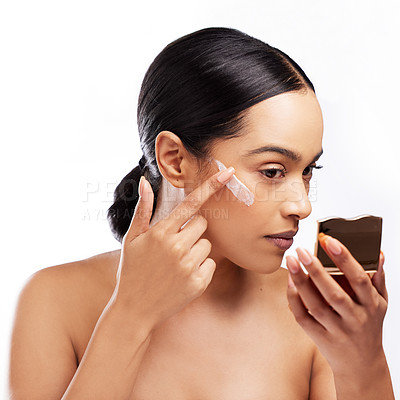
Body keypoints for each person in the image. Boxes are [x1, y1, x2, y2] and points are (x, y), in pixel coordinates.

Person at [8, 27, 394, 399]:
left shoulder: (314, 316)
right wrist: (129, 317)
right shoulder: (53, 300)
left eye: (308, 170)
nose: (303, 205)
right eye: (272, 171)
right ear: (175, 160)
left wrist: (364, 360)